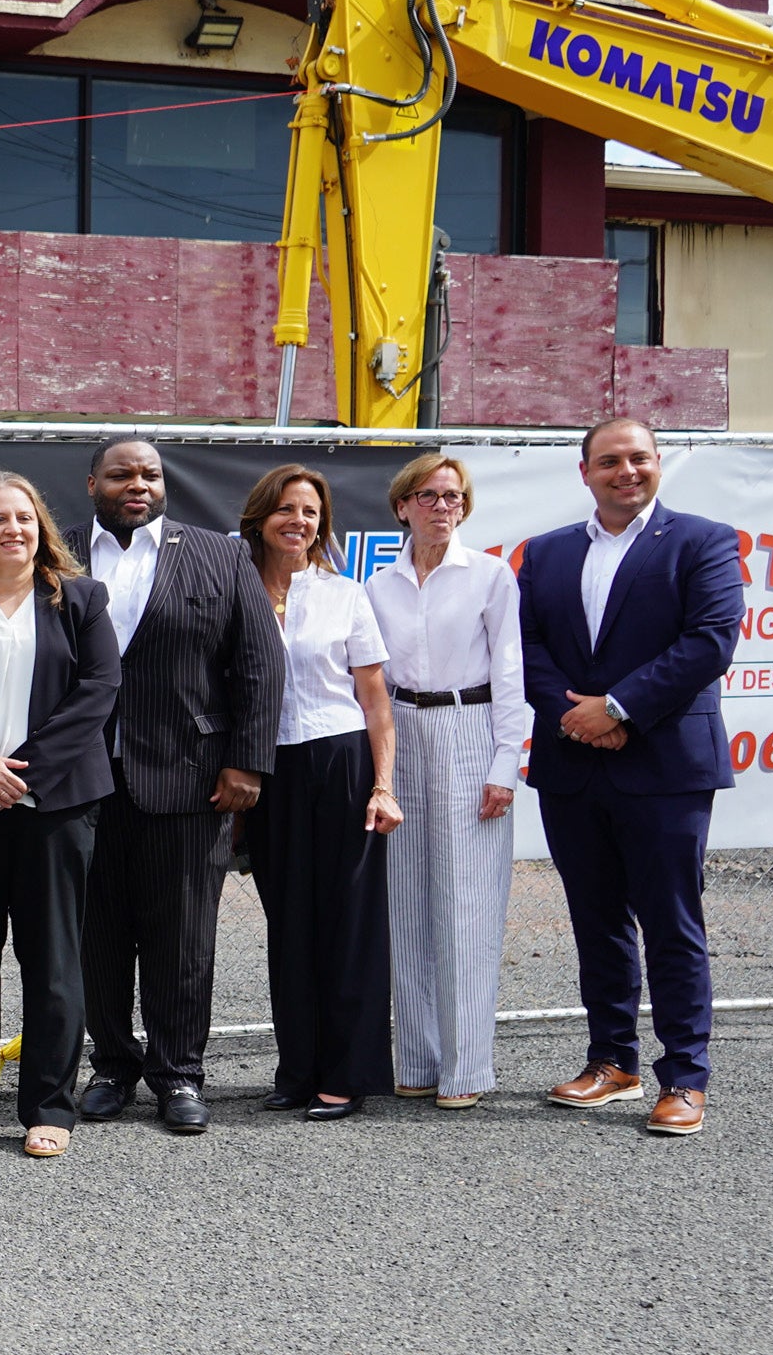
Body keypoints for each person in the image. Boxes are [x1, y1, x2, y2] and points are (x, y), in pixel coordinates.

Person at [519, 418, 740, 1136]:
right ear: (584, 470)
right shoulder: (548, 553)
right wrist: (575, 716)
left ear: (658, 463)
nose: (626, 471)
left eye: (639, 458)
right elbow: (526, 646)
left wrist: (617, 707)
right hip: (573, 766)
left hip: (666, 763)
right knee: (597, 918)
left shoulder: (702, 541)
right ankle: (612, 1061)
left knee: (672, 922)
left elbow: (709, 640)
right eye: (610, 460)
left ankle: (685, 1077)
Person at [64, 438, 283, 1135]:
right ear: (93, 481)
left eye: (150, 474)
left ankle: (178, 1073)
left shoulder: (219, 555)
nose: (138, 484)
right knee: (96, 935)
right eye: (123, 473)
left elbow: (259, 660)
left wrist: (247, 762)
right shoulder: (59, 554)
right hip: (84, 780)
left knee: (184, 936)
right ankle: (111, 1066)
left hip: (191, 781)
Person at [0, 469, 119, 1159]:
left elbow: (98, 691)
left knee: (53, 958)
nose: (14, 528)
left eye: (25, 517)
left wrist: (19, 776)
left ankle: (49, 1104)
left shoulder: (81, 599)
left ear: (42, 526)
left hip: (56, 807)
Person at [365, 454, 530, 1111]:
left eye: (454, 497)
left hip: (472, 726)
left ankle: (467, 1066)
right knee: (405, 901)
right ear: (402, 505)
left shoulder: (490, 576)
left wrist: (505, 763)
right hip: (401, 729)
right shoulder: (378, 585)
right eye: (429, 496)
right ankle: (417, 1058)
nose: (443, 507)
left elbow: (513, 670)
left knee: (465, 903)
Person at [238, 465, 403, 1123]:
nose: (298, 521)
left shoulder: (345, 593)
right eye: (285, 508)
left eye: (309, 511)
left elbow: (375, 699)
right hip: (270, 770)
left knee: (351, 922)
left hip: (342, 764)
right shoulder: (236, 589)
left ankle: (346, 1074)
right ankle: (297, 1068)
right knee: (290, 923)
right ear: (260, 517)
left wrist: (383, 784)